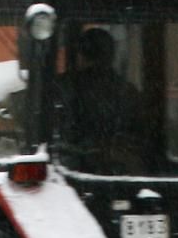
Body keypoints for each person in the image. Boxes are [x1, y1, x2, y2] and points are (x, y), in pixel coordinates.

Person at [56, 28, 145, 173]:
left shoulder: (62, 87)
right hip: (118, 172)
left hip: (70, 169)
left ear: (80, 55)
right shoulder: (127, 91)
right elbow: (139, 132)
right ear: (111, 56)